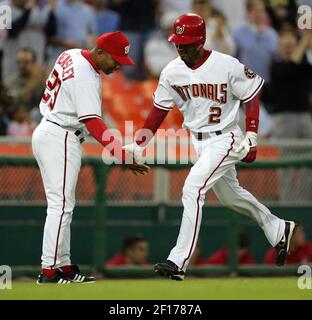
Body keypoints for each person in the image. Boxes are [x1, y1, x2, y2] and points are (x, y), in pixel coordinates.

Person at [123, 14, 298, 281]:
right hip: (199, 141)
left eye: (186, 43)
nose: (181, 48)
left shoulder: (225, 64)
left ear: (200, 41)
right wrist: (138, 144)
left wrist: (251, 133)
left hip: (225, 137)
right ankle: (277, 228)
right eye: (178, 43)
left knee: (192, 188)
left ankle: (178, 260)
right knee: (231, 197)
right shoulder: (172, 71)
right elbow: (157, 112)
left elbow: (251, 93)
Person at [32, 31, 149, 284]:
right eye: (115, 59)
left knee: (64, 205)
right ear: (100, 52)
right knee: (61, 205)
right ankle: (49, 270)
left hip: (52, 129)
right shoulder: (85, 74)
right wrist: (121, 156)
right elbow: (92, 122)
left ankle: (62, 266)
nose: (119, 65)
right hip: (60, 135)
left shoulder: (71, 54)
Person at [232, 0, 278, 82]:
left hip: (265, 82)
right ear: (248, 13)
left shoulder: (272, 34)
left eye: (262, 11)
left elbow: (276, 57)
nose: (259, 14)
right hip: (244, 82)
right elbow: (232, 58)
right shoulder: (237, 33)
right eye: (256, 11)